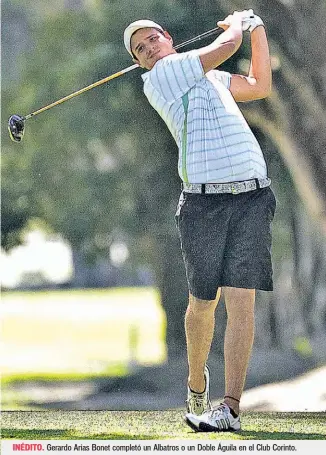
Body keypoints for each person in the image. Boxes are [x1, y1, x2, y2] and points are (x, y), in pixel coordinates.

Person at [123, 9, 275, 432]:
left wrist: (257, 29)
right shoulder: (161, 77)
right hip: (203, 205)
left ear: (168, 37)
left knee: (242, 301)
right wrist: (240, 23)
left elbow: (260, 85)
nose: (149, 48)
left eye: (153, 39)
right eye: (141, 49)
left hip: (252, 195)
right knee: (202, 306)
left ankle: (229, 408)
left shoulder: (210, 77)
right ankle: (196, 384)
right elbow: (226, 47)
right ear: (140, 63)